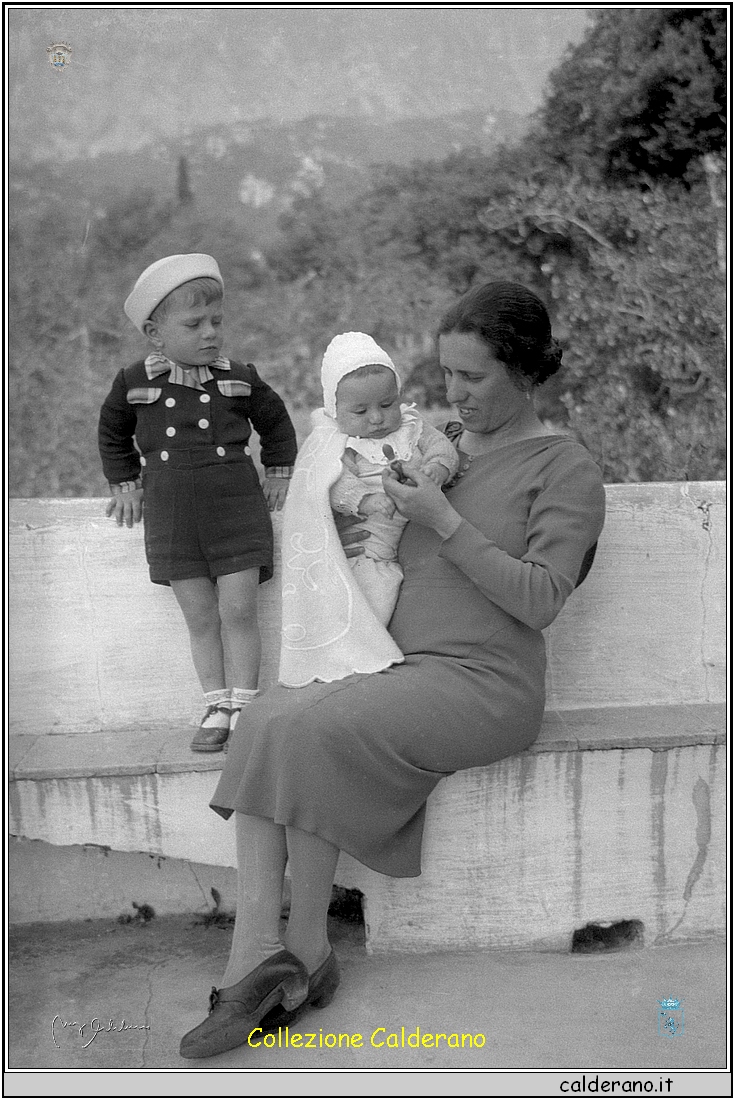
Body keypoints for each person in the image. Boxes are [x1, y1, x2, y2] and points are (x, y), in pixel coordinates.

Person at [179, 280, 606, 1059]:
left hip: (485, 684)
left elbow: (542, 599)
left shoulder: (563, 465)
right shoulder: (427, 447)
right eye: (445, 374)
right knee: (273, 714)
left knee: (314, 727)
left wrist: (442, 520)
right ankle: (281, 954)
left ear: (524, 369)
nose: (454, 393)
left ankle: (277, 964)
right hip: (394, 666)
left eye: (472, 377)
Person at [98, 254, 297, 752]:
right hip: (171, 518)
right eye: (194, 324)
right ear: (155, 332)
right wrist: (125, 484)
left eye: (216, 321)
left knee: (239, 609)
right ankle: (215, 704)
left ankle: (246, 706)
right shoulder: (134, 382)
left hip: (235, 511)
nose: (210, 333)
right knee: (201, 616)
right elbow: (112, 433)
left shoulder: (240, 376)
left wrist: (278, 472)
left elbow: (276, 423)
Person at [280, 331, 459, 687]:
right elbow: (328, 484)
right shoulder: (335, 443)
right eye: (360, 411)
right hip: (372, 546)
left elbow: (444, 449)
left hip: (420, 532)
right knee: (366, 601)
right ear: (335, 410)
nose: (377, 418)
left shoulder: (412, 426)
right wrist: (363, 499)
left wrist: (436, 469)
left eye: (387, 404)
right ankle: (357, 663)